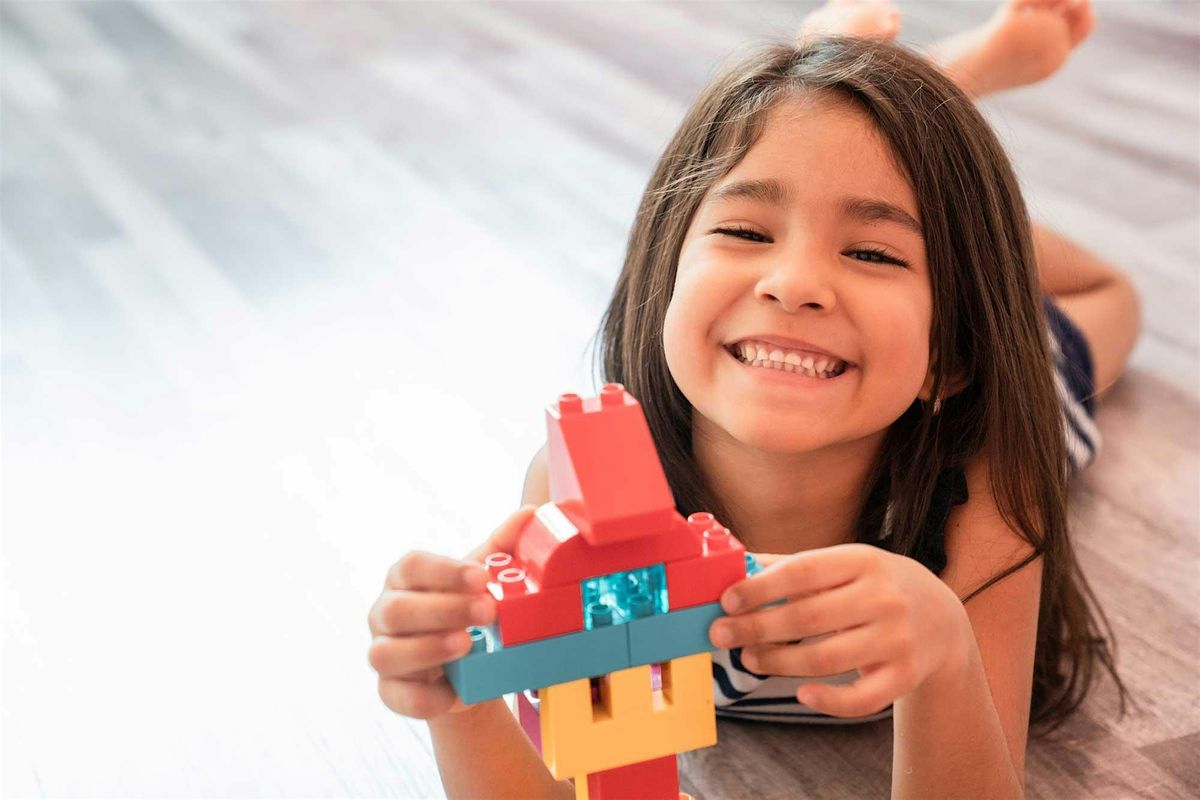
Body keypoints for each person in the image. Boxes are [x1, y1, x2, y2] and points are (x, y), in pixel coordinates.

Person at [367, 8, 1140, 798]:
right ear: (664, 278)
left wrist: (944, 644)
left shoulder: (988, 486)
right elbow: (587, 771)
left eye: (872, 251)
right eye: (744, 231)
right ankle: (873, 104)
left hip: (996, 383)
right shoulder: (582, 494)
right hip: (869, 346)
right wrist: (457, 703)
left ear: (950, 355)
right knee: (848, 156)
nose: (793, 283)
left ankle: (923, 99)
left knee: (1111, 297)